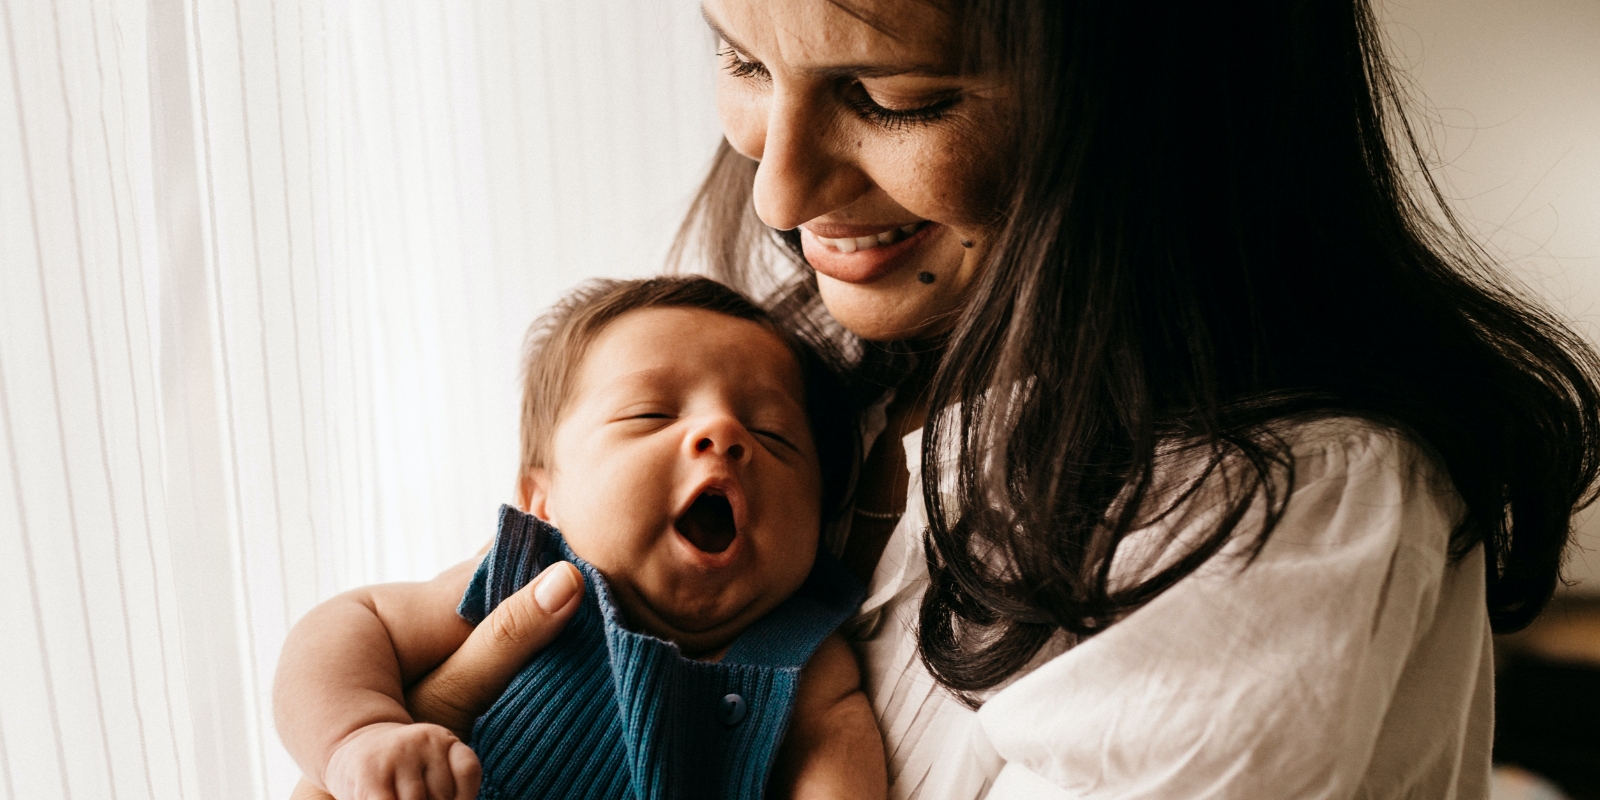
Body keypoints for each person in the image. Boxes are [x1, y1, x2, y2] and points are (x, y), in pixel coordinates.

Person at [294, 0, 1600, 798]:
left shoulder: (1276, 514)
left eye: (897, 95)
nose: (777, 197)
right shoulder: (826, 375)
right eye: (742, 58)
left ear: (1160, 107)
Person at [274, 278, 886, 799]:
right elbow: (351, 623)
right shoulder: (527, 579)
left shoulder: (806, 662)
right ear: (543, 500)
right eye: (651, 414)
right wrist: (361, 735)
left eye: (774, 433)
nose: (723, 433)